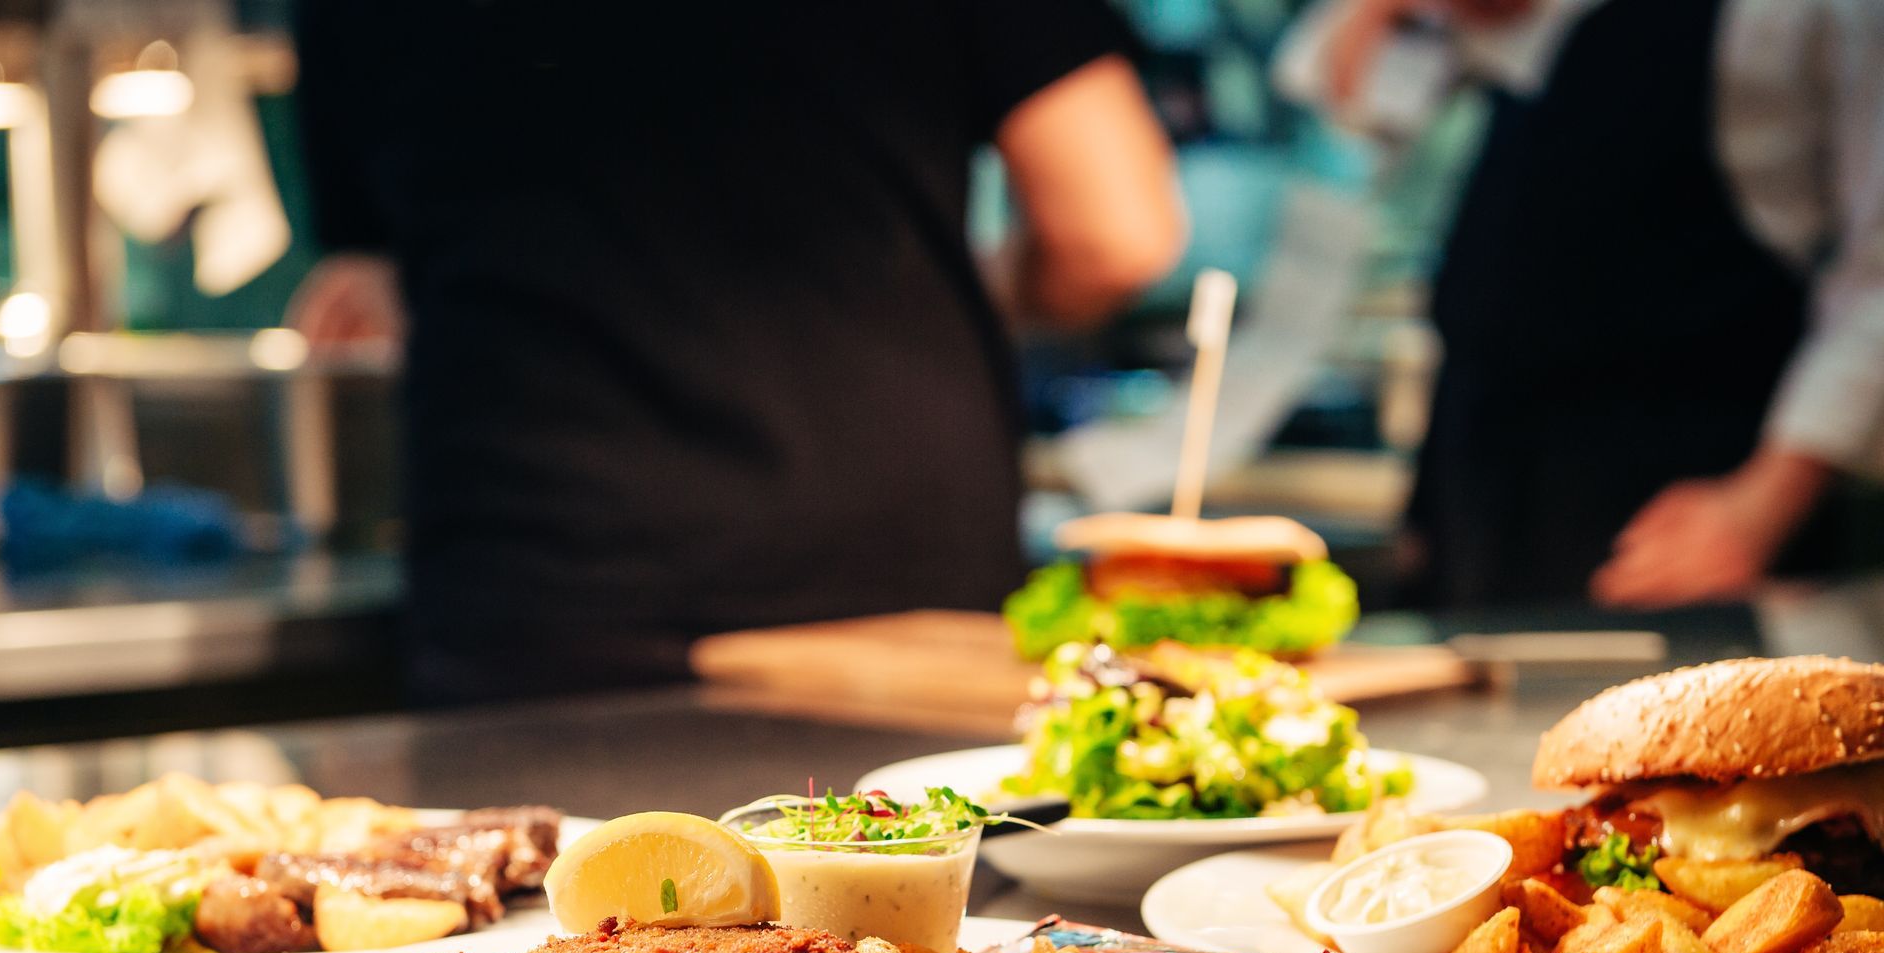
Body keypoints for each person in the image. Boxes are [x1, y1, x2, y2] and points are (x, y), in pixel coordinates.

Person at [289, 4, 1183, 703]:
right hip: (890, 586)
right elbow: (1117, 230)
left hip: (545, 584)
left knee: (547, 933)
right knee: (932, 936)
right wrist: (976, 290)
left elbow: (364, 293)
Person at [1321, 0, 1884, 608]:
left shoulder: (1786, 22)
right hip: (1479, 516)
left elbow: (1874, 276)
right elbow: (1353, 109)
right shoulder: (1478, 36)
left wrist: (1763, 504)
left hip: (1668, 534)